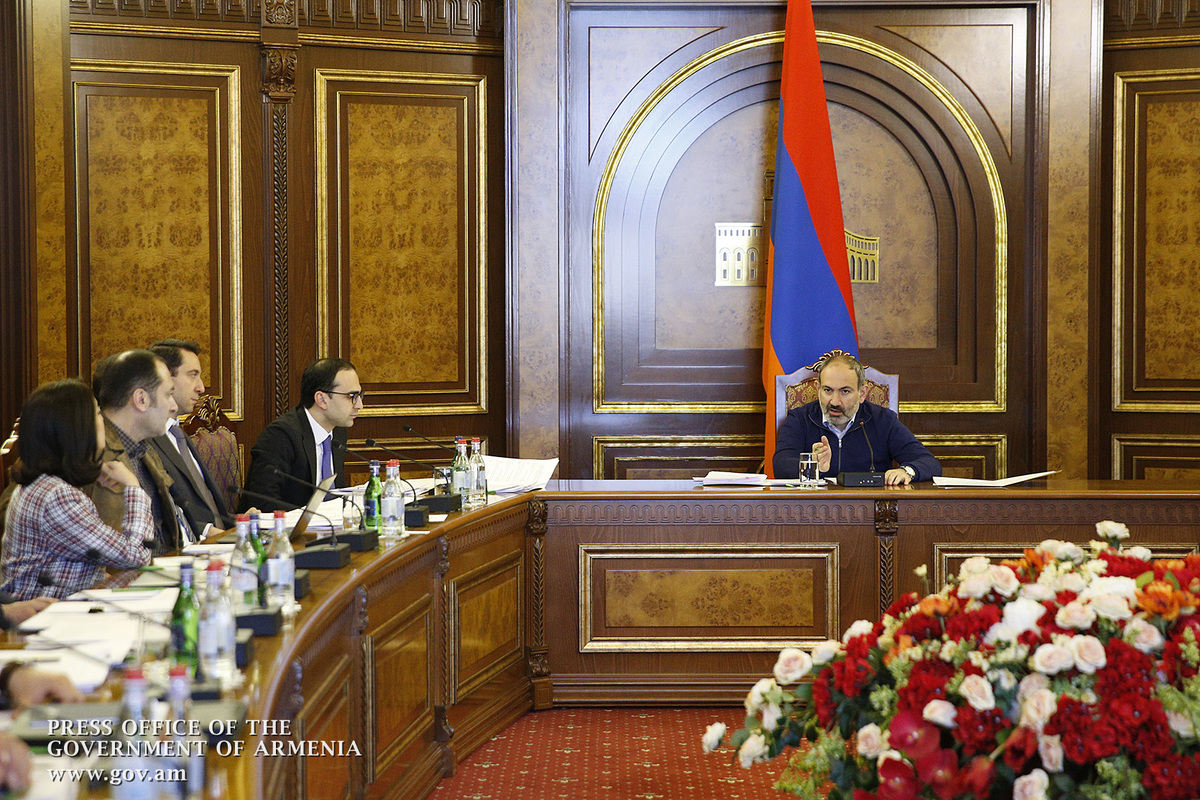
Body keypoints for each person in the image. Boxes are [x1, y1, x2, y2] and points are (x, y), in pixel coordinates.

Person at [0, 379, 153, 599]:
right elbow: (136, 556)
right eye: (97, 413)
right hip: (47, 616)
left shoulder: (47, 485)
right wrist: (133, 486)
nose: (103, 421)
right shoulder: (56, 497)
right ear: (78, 429)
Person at [773, 352, 941, 485]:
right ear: (818, 389)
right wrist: (813, 465)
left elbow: (929, 463)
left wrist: (906, 471)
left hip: (871, 509)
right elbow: (780, 465)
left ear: (862, 393)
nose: (835, 401)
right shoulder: (800, 419)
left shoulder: (882, 420)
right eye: (828, 390)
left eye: (845, 391)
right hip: (815, 508)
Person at [241, 358, 362, 512]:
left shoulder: (337, 432)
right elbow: (263, 502)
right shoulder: (281, 435)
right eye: (351, 396)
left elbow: (334, 493)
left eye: (359, 395)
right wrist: (314, 516)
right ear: (321, 399)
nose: (359, 405)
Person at [93, 349, 182, 553]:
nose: (173, 406)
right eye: (168, 394)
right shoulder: (91, 452)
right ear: (141, 399)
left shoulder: (145, 449)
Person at [147, 339, 234, 538]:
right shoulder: (146, 441)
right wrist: (206, 531)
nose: (201, 387)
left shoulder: (179, 434)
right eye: (193, 375)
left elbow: (211, 513)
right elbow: (159, 514)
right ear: (165, 377)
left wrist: (247, 521)